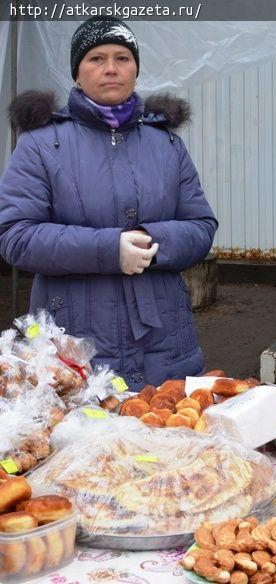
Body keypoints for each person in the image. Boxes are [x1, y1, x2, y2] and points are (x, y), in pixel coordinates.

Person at [0, 16, 217, 390]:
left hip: (163, 343)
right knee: (82, 446)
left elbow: (201, 226)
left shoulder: (166, 144)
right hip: (74, 346)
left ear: (135, 69)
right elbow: (16, 237)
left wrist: (151, 240)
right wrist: (108, 249)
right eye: (96, 59)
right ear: (77, 73)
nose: (111, 68)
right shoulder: (40, 144)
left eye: (123, 57)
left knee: (169, 438)